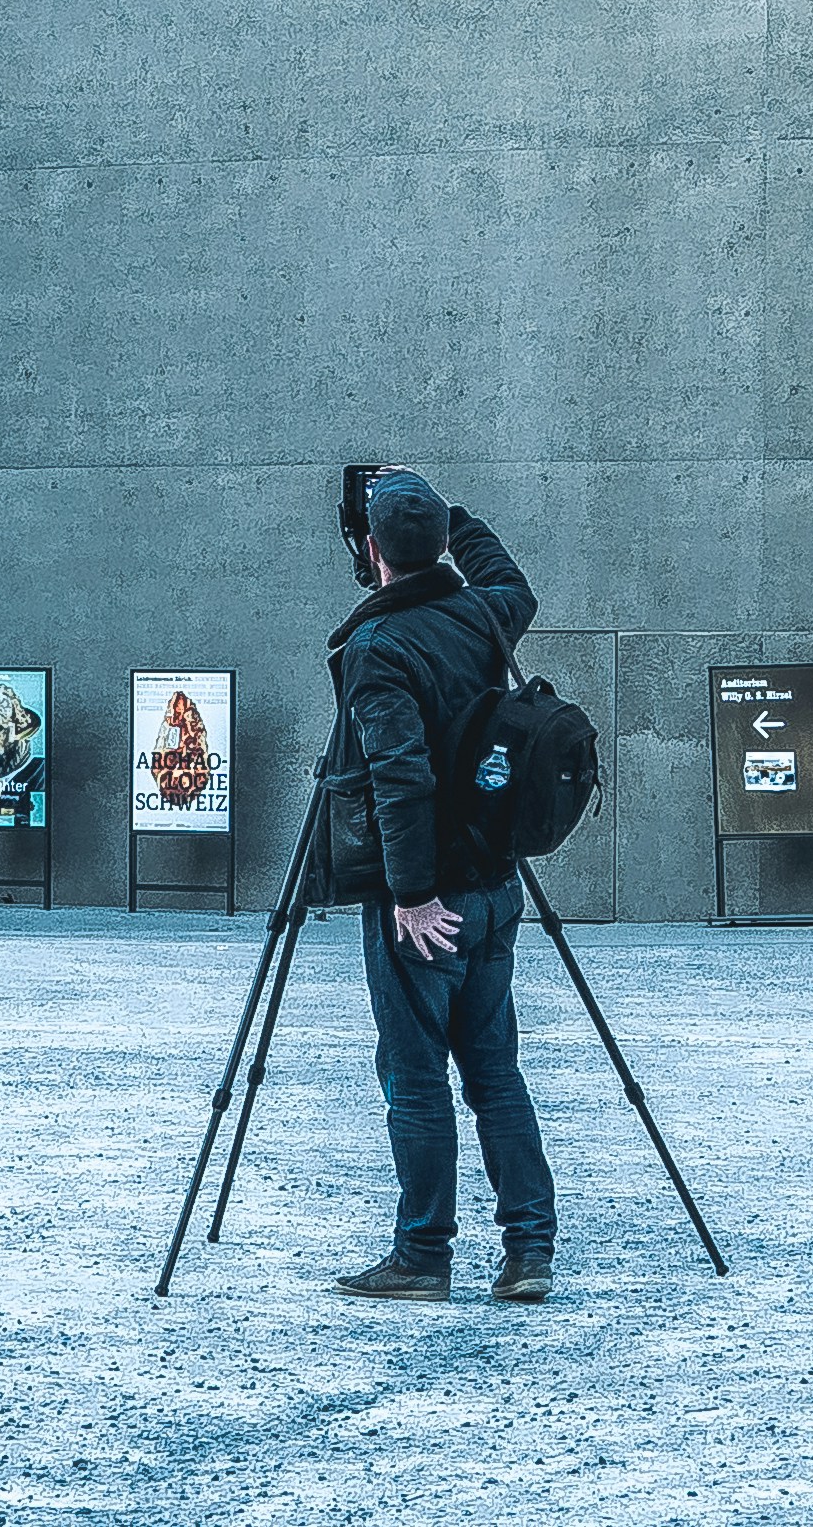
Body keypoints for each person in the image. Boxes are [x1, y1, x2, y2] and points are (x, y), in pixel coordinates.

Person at [313, 467, 554, 1304]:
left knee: (415, 1076)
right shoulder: (483, 614)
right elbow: (509, 578)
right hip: (495, 887)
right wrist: (443, 510)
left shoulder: (381, 647)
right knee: (495, 1073)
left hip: (429, 901)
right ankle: (530, 1249)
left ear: (371, 549)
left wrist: (411, 894)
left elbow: (399, 777)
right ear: (437, 543)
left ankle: (422, 1255)